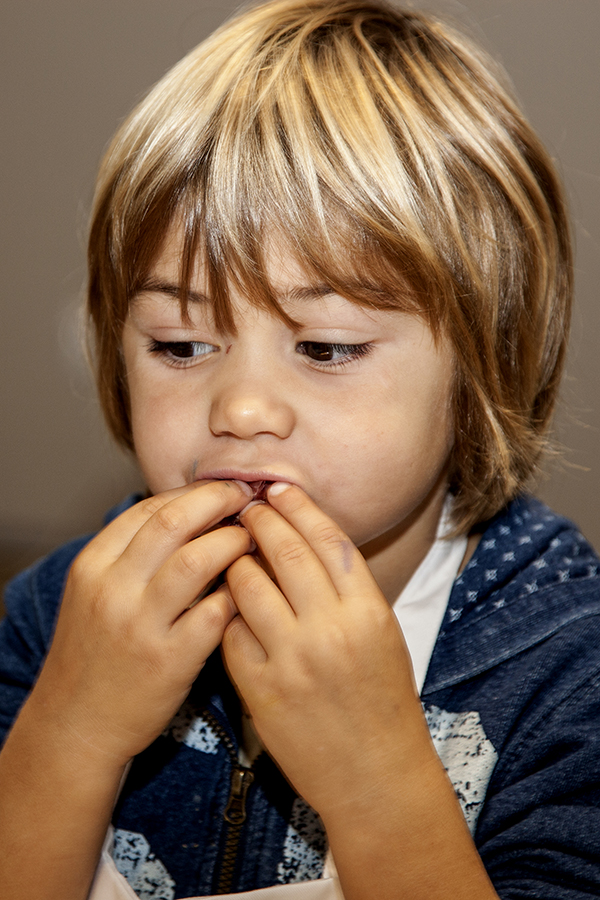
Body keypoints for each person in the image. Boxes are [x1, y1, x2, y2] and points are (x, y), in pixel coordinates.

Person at [1, 0, 599, 897]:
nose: (239, 408)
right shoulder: (56, 619)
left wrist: (375, 780)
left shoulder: (569, 668)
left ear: (484, 371)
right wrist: (72, 732)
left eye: (325, 348)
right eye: (179, 345)